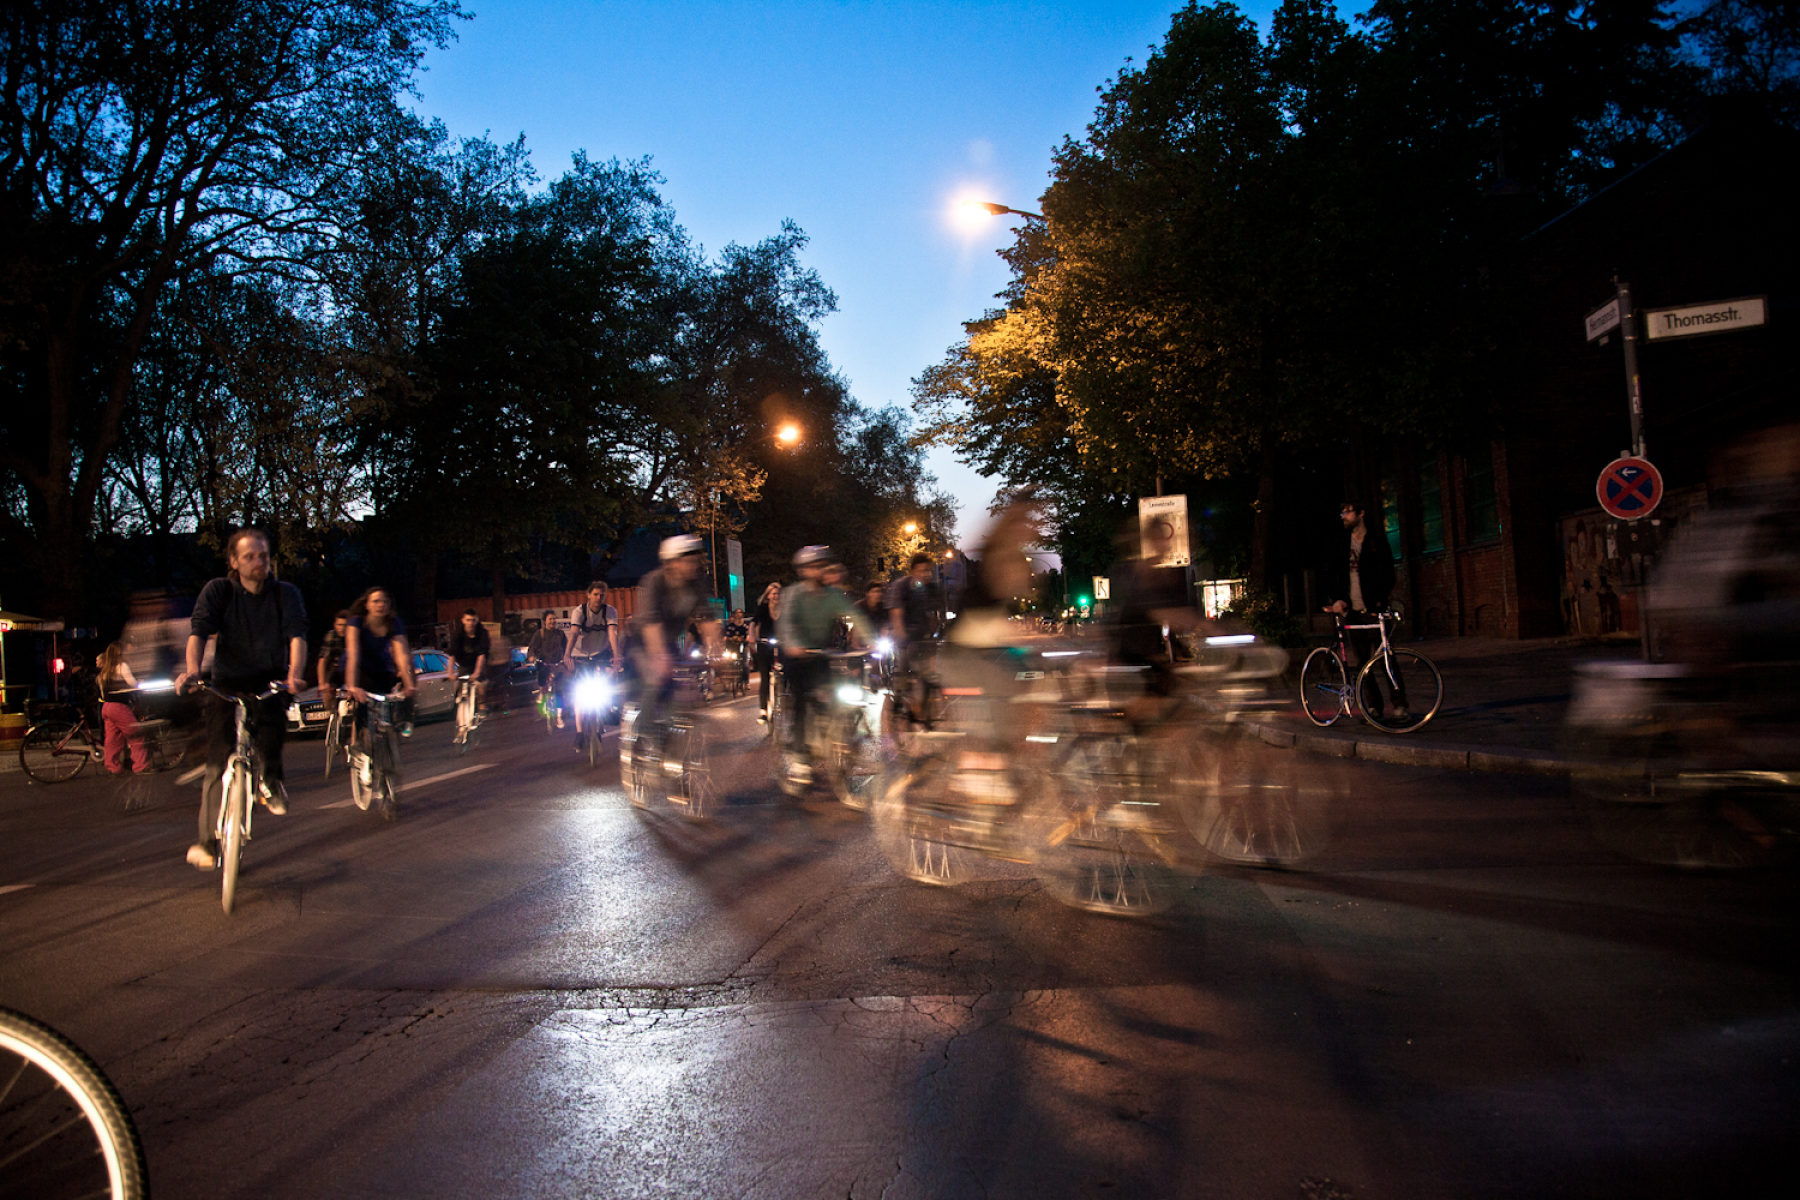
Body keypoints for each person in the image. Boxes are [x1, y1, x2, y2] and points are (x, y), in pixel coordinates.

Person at [176, 528, 308, 870]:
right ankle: (207, 843)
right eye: (249, 556)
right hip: (227, 683)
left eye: (263, 555)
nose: (258, 562)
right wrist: (192, 671)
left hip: (268, 680)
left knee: (272, 730)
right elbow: (199, 633)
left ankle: (272, 783)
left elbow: (296, 636)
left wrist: (294, 675)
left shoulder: (285, 594)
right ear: (234, 561)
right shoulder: (219, 591)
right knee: (216, 761)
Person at [776, 546, 873, 781]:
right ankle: (799, 756)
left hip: (821, 654)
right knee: (801, 698)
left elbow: (855, 615)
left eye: (822, 565)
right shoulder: (793, 594)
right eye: (815, 566)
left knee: (829, 695)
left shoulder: (833, 595)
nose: (820, 569)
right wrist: (792, 644)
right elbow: (786, 623)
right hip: (796, 655)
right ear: (804, 571)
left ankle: (830, 738)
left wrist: (871, 640)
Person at [1322, 499, 1405, 720]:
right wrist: (1338, 599)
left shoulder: (1376, 540)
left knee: (1387, 658)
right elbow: (1331, 575)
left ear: (1361, 513)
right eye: (1342, 513)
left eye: (1347, 512)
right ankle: (1374, 707)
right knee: (1362, 663)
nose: (1344, 517)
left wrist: (1379, 600)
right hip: (1352, 611)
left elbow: (1388, 573)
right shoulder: (1341, 543)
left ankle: (1400, 705)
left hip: (1375, 608)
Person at [632, 535, 720, 725]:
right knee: (655, 680)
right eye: (687, 561)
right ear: (670, 563)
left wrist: (715, 652)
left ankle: (667, 736)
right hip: (642, 641)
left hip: (669, 641)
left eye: (695, 561)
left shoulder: (695, 585)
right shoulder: (653, 582)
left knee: (674, 691)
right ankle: (644, 731)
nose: (693, 565)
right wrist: (659, 657)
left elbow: (707, 619)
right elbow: (651, 624)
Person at [564, 581, 621, 752]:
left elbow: (612, 633)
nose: (598, 598)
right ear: (588, 595)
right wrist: (567, 654)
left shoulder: (610, 611)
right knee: (580, 692)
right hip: (581, 655)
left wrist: (617, 655)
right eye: (595, 594)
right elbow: (574, 633)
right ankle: (580, 732)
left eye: (602, 595)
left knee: (609, 678)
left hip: (600, 653)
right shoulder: (579, 611)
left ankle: (609, 708)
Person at [98, 641, 147, 775]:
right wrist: (140, 683)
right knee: (136, 734)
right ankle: (140, 765)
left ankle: (112, 766)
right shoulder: (122, 666)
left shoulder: (105, 671)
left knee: (113, 739)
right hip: (119, 707)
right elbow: (132, 684)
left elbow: (102, 692)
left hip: (106, 707)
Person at [446, 608, 493, 739]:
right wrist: (450, 673)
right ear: (463, 620)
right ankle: (461, 729)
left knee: (480, 685)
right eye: (468, 620)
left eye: (473, 620)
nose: (470, 623)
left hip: (479, 663)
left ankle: (482, 706)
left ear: (477, 621)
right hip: (464, 665)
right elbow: (452, 654)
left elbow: (482, 654)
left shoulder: (482, 633)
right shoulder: (457, 634)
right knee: (462, 693)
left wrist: (477, 672)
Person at [527, 610, 568, 728]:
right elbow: (532, 648)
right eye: (550, 619)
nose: (553, 621)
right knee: (541, 676)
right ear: (545, 621)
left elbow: (566, 648)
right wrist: (531, 656)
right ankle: (541, 693)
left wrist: (568, 658)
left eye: (554, 618)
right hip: (544, 663)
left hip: (558, 665)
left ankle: (559, 716)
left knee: (560, 691)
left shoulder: (560, 634)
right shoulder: (540, 634)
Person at [750, 582, 781, 721]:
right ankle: (763, 711)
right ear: (768, 595)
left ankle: (787, 701)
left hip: (781, 646)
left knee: (788, 672)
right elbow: (753, 623)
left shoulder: (784, 609)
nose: (776, 596)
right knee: (765, 677)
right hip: (764, 645)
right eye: (774, 593)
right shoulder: (762, 608)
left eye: (778, 593)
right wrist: (751, 635)